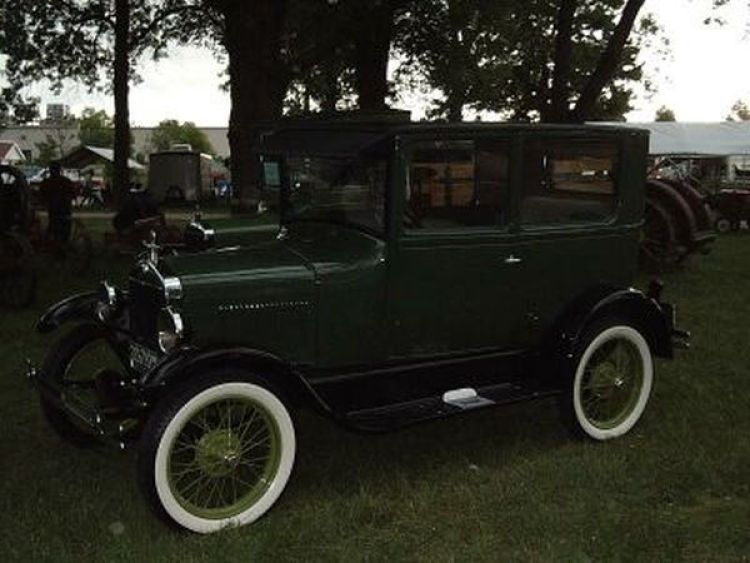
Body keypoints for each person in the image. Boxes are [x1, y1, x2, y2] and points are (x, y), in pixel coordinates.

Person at [39, 161, 76, 243]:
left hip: (54, 208)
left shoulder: (46, 182)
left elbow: (41, 196)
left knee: (54, 225)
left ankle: (55, 241)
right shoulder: (66, 181)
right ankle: (63, 242)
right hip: (65, 208)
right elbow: (73, 194)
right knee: (64, 227)